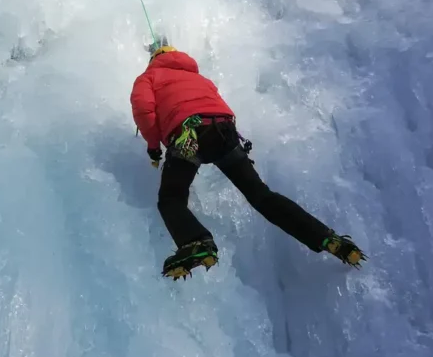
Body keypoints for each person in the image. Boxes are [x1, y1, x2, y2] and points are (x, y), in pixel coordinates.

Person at [131, 43, 365, 280]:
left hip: (188, 134)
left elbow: (144, 111)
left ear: (153, 59)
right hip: (225, 131)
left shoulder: (148, 77)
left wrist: (154, 149)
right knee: (261, 195)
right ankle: (325, 237)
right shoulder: (198, 77)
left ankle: (196, 242)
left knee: (172, 198)